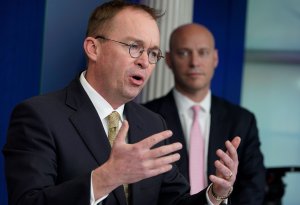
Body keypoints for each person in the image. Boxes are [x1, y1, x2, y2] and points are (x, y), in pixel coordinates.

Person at [3, 2, 240, 205]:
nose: (144, 62)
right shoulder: (39, 116)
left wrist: (215, 195)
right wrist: (106, 177)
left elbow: (175, 202)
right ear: (93, 48)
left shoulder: (152, 124)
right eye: (134, 47)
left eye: (152, 53)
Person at [144, 23, 266, 205]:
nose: (194, 62)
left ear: (215, 58)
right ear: (168, 59)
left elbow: (253, 188)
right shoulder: (145, 118)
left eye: (203, 52)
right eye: (184, 53)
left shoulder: (242, 120)